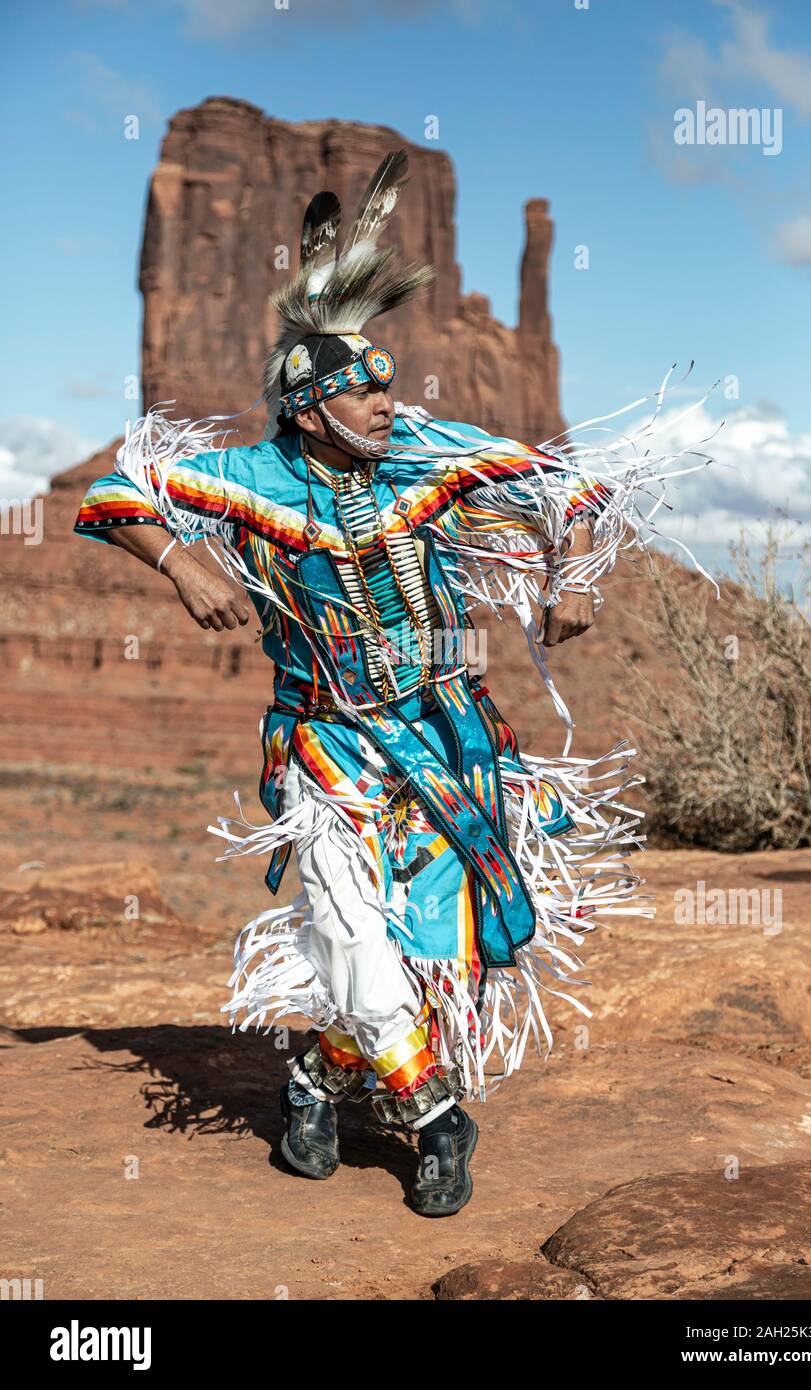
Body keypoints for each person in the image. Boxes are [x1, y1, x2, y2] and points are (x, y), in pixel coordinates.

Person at [73, 151, 705, 1217]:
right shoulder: (250, 481)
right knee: (350, 926)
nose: (384, 402)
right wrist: (180, 562)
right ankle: (432, 1116)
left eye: (384, 386)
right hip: (321, 742)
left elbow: (573, 487)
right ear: (309, 407)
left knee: (418, 945)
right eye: (362, 391)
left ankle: (318, 1079)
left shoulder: (429, 450)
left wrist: (574, 567)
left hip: (450, 737)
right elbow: (112, 488)